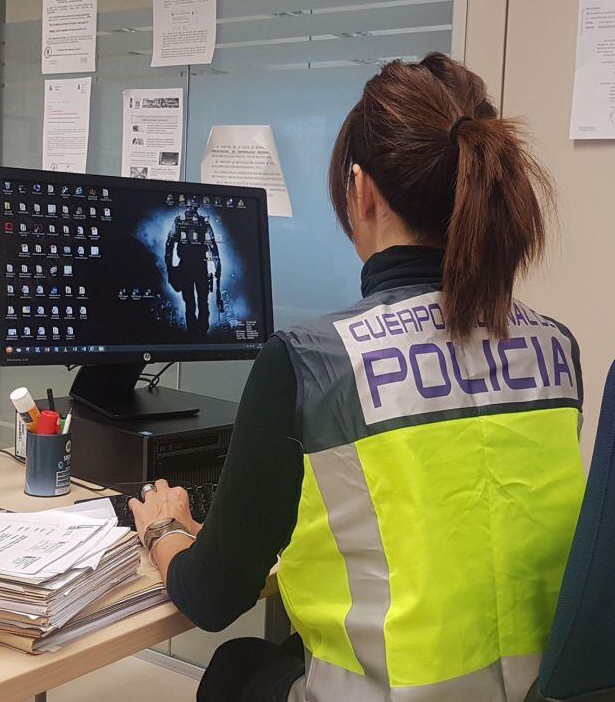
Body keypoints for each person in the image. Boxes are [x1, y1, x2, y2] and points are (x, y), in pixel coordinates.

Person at [131, 53, 584, 702]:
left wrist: (165, 528)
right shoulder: (555, 348)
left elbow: (212, 596)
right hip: (529, 690)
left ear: (362, 190)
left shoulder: (312, 361)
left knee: (237, 665)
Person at [165, 200, 222, 335]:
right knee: (190, 302)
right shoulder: (179, 221)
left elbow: (212, 244)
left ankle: (202, 331)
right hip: (185, 267)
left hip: (200, 267)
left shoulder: (203, 222)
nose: (191, 207)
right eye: (189, 205)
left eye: (193, 205)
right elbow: (169, 243)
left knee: (202, 301)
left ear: (197, 206)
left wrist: (218, 265)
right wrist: (169, 267)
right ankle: (194, 333)